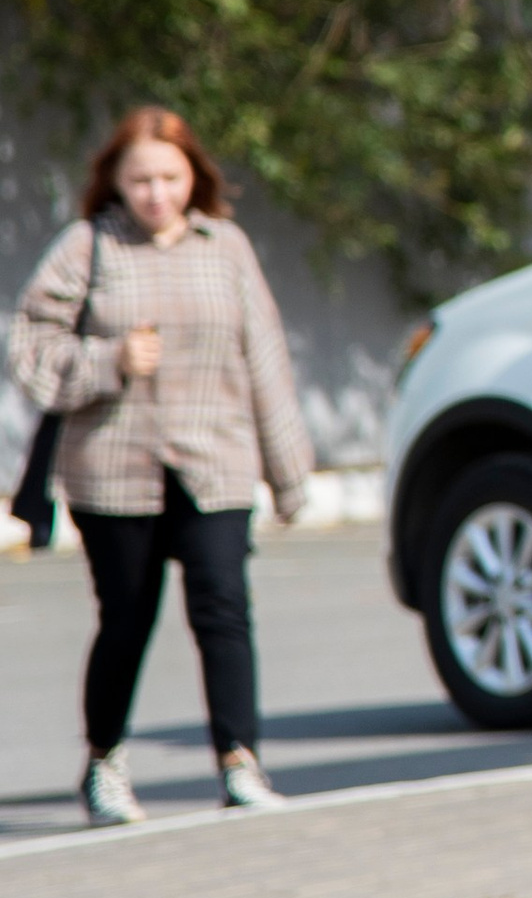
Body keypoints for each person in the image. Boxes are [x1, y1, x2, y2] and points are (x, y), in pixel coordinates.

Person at [9, 105, 312, 824]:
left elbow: (265, 359)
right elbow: (30, 348)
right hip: (115, 471)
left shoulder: (227, 248)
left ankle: (240, 762)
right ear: (114, 179)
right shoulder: (88, 248)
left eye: (170, 177)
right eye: (140, 179)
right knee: (127, 617)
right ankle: (105, 762)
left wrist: (289, 472)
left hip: (215, 461)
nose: (156, 194)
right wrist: (108, 360)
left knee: (224, 607)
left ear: (194, 177)